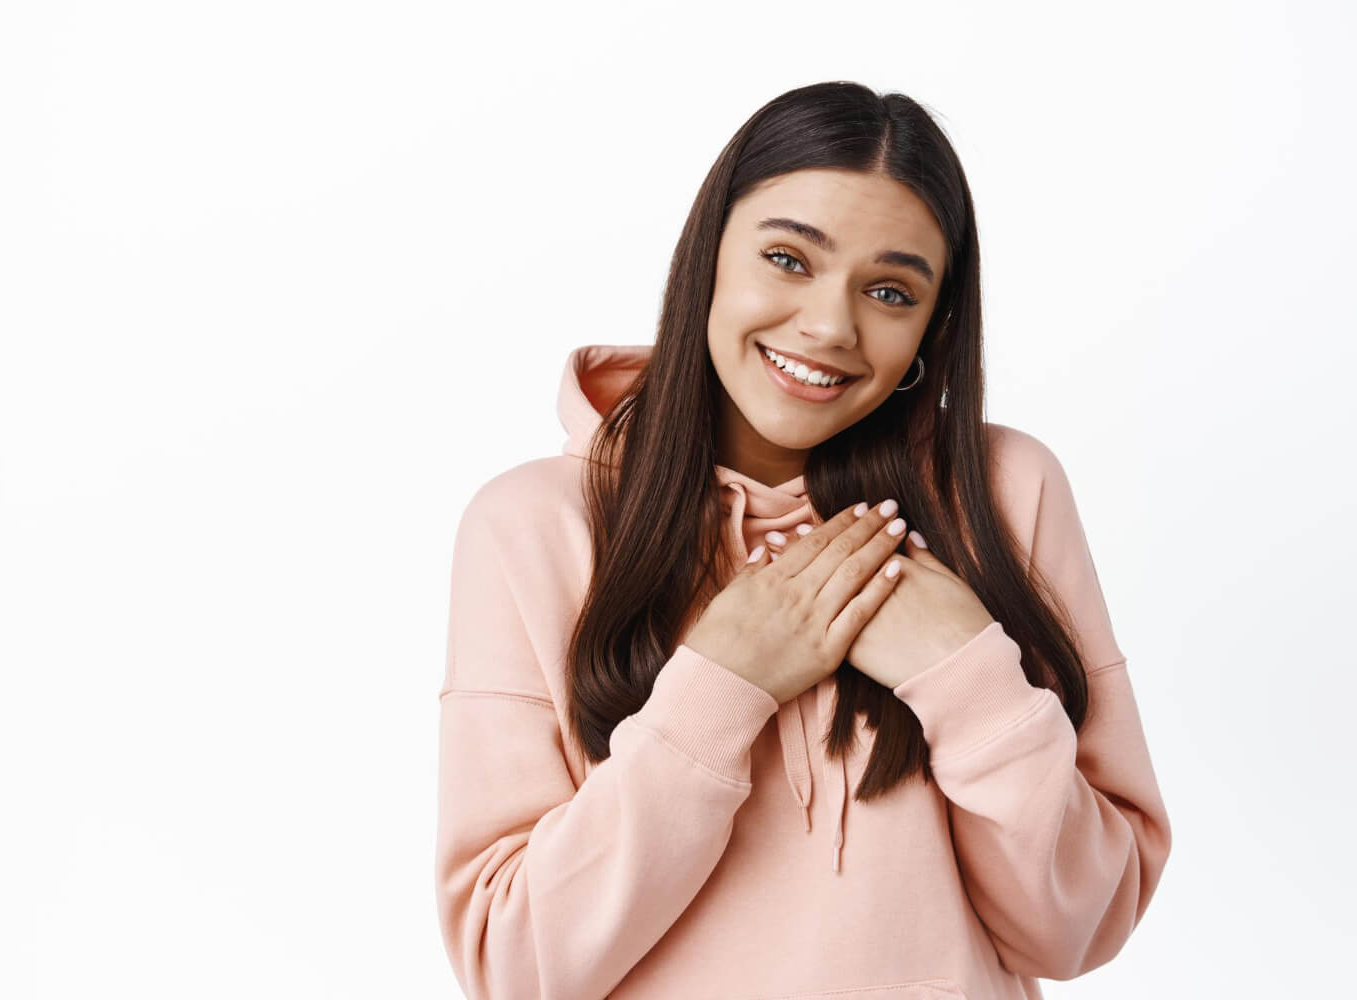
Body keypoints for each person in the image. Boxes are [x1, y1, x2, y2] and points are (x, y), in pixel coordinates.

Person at [434, 81, 1172, 1000]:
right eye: (788, 258)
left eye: (890, 290)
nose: (829, 326)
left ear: (933, 330)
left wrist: (969, 679)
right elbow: (516, 964)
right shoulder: (534, 527)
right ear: (707, 255)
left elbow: (1080, 929)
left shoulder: (1005, 496)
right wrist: (719, 688)